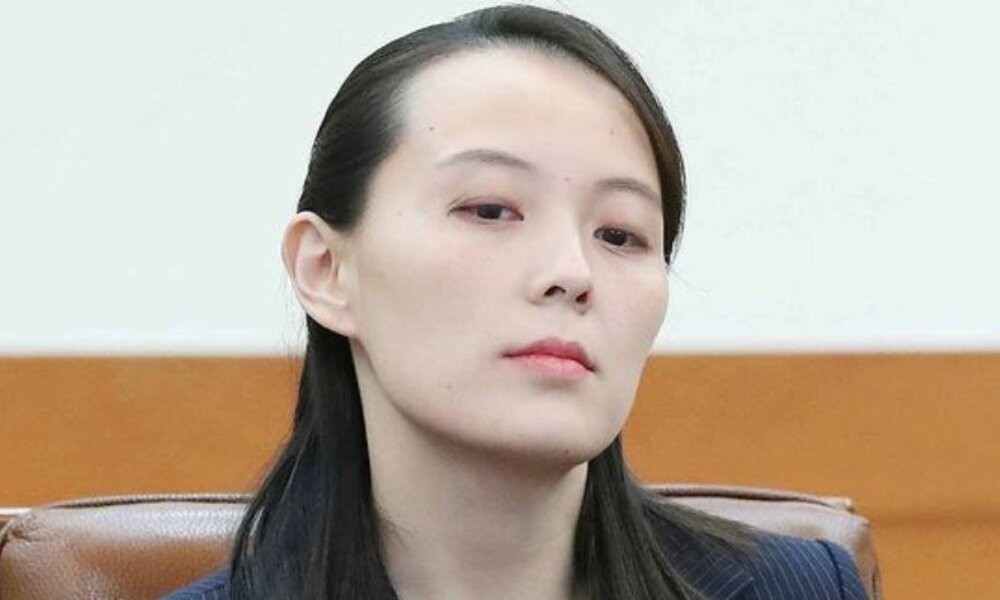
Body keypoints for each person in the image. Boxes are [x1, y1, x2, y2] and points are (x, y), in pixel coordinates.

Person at [164, 4, 868, 599]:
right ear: (325, 270)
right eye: (491, 210)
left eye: (619, 234)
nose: (571, 272)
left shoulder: (801, 588)